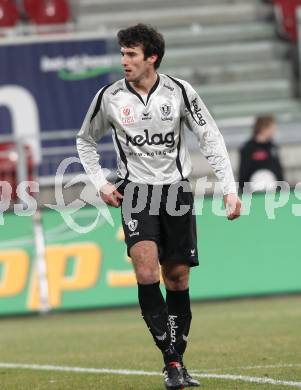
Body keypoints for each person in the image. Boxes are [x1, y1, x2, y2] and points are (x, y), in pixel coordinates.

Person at [77, 24, 241, 390]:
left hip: (177, 193)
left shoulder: (180, 92)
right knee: (146, 271)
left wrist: (229, 189)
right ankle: (170, 360)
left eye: (131, 54)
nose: (124, 61)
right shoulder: (110, 97)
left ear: (152, 57)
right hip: (135, 192)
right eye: (122, 54)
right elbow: (85, 140)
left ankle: (177, 362)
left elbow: (210, 138)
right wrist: (101, 183)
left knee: (178, 278)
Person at [238, 115, 284, 193]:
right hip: (253, 192)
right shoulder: (248, 148)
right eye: (272, 128)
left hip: (273, 191)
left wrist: (282, 188)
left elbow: (278, 170)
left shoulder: (273, 147)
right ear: (263, 128)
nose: (274, 131)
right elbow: (243, 171)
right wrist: (242, 189)